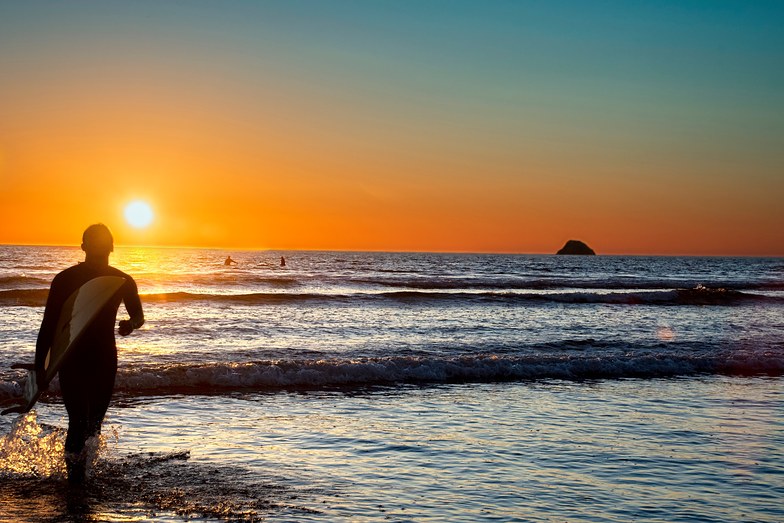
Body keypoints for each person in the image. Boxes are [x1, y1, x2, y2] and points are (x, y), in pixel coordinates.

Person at [35, 224, 144, 484]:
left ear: (111, 246)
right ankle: (75, 481)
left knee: (94, 423)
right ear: (83, 246)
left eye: (101, 241)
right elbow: (49, 324)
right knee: (78, 420)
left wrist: (131, 325)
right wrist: (41, 367)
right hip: (72, 357)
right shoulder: (65, 279)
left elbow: (139, 316)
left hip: (104, 358)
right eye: (92, 241)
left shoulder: (123, 281)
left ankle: (83, 476)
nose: (97, 246)